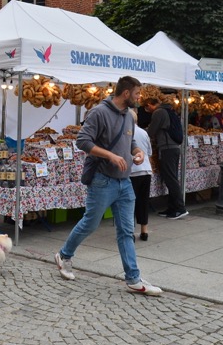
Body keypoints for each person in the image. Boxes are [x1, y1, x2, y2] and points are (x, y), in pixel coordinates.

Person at [53, 76, 162, 295]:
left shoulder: (129, 117)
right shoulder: (99, 113)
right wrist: (110, 156)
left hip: (125, 182)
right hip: (102, 179)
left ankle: (133, 278)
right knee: (90, 223)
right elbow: (82, 141)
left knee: (126, 231)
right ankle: (64, 255)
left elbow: (129, 143)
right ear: (126, 93)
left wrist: (137, 152)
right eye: (137, 94)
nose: (140, 98)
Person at [144, 96, 188, 219]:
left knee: (170, 179)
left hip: (167, 148)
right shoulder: (169, 111)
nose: (147, 110)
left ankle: (180, 208)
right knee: (172, 177)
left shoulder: (159, 112)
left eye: (146, 107)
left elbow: (151, 132)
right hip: (174, 148)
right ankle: (172, 208)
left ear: (150, 104)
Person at [129, 108, 152, 242]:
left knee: (130, 202)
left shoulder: (126, 133)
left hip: (132, 171)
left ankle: (130, 231)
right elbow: (149, 152)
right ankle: (144, 230)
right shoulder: (144, 132)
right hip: (146, 170)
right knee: (143, 201)